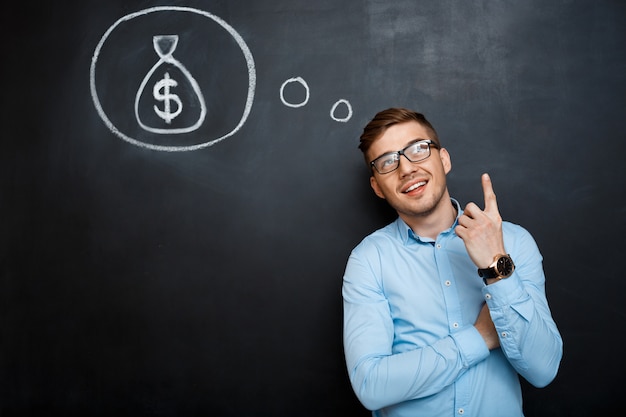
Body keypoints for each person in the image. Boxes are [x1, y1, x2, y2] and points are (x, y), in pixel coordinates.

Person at [342, 108, 563, 417]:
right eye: (388, 161)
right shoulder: (369, 261)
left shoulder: (513, 242)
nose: (406, 168)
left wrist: (496, 266)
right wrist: (480, 337)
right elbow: (371, 385)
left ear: (443, 159)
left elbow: (544, 369)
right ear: (378, 187)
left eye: (418, 149)